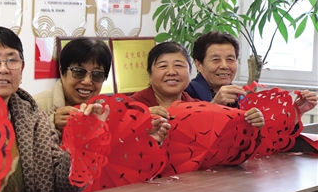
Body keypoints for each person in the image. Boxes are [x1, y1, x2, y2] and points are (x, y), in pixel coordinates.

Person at [0, 25, 101, 192]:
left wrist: (84, 139)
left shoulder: (36, 120)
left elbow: (65, 186)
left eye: (12, 60)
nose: (3, 69)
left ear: (22, 68)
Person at [131, 41, 264, 127]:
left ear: (190, 71)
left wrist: (252, 124)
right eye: (163, 66)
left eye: (179, 65)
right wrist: (138, 123)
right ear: (149, 73)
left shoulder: (196, 105)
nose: (171, 72)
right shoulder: (132, 107)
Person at [187, 31, 317, 115]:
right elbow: (187, 132)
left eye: (230, 59)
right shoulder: (186, 93)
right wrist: (215, 106)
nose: (225, 66)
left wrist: (297, 111)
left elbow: (266, 135)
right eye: (216, 60)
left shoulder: (240, 96)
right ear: (199, 64)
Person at [34, 37, 112, 132]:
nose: (87, 81)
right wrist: (50, 123)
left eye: (97, 74)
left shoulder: (107, 112)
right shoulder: (35, 106)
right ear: (62, 72)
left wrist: (100, 129)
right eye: (79, 72)